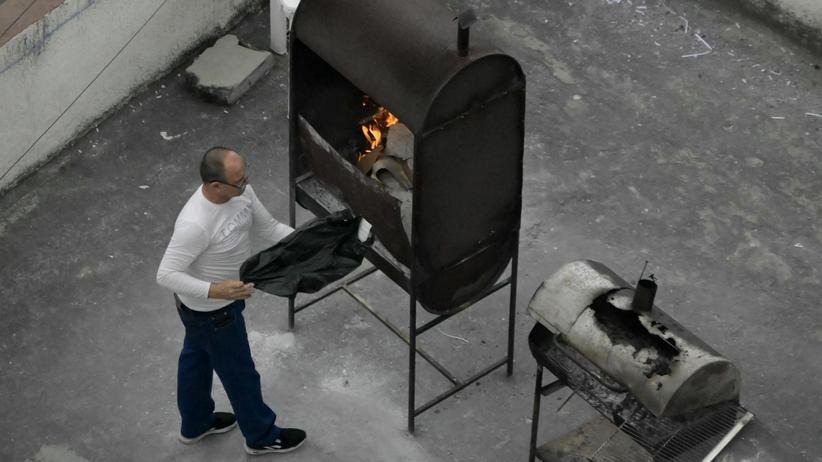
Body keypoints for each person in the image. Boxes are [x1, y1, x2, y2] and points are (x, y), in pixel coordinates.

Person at [156, 146, 306, 455]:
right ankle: (261, 436)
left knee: (196, 359)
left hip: (212, 308)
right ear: (215, 186)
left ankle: (196, 424)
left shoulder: (242, 193)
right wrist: (217, 290)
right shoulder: (195, 224)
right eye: (238, 182)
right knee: (241, 375)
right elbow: (166, 274)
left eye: (245, 176)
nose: (245, 185)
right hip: (212, 312)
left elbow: (270, 229)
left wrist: (310, 242)